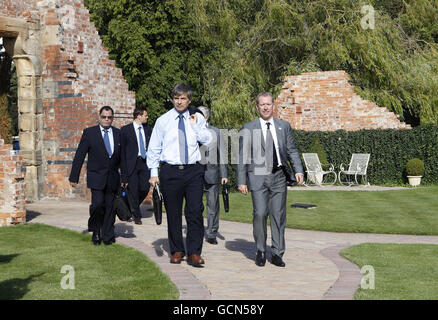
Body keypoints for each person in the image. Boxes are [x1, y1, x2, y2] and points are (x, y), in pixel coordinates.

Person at [147, 83, 212, 267]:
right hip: (170, 171)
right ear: (172, 99)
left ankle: (194, 253)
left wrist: (196, 127)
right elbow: (154, 148)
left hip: (193, 171)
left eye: (183, 98)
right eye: (176, 98)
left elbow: (208, 139)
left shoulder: (197, 118)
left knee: (194, 212)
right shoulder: (163, 120)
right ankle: (177, 250)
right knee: (173, 213)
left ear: (189, 100)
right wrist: (153, 173)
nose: (179, 101)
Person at [236, 92, 304, 267]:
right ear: (257, 107)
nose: (265, 107)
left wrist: (298, 170)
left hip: (279, 176)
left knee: (278, 215)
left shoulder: (284, 126)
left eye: (268, 104)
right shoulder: (248, 128)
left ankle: (277, 253)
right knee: (259, 213)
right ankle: (260, 250)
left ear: (273, 106)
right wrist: (241, 181)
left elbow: (292, 150)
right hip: (258, 177)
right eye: (262, 104)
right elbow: (242, 157)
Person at [69, 106, 121, 245]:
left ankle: (108, 235)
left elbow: (123, 157)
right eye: (104, 117)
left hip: (112, 178)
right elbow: (80, 155)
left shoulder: (117, 133)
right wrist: (74, 177)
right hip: (96, 176)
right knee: (97, 205)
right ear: (99, 117)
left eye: (109, 117)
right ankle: (96, 231)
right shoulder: (89, 133)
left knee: (110, 207)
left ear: (112, 118)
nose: (106, 119)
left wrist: (126, 177)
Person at [197, 106, 228, 245]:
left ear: (207, 117)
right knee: (195, 205)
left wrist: (224, 174)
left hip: (212, 172)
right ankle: (196, 230)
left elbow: (222, 154)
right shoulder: (191, 130)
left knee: (213, 205)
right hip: (195, 173)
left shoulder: (216, 132)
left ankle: (211, 233)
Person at [120, 107, 152, 225]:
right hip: (131, 164)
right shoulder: (125, 130)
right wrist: (123, 172)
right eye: (145, 115)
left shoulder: (148, 129)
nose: (147, 117)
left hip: (144, 162)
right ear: (139, 115)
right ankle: (137, 215)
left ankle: (130, 206)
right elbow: (122, 152)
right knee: (133, 190)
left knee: (145, 188)